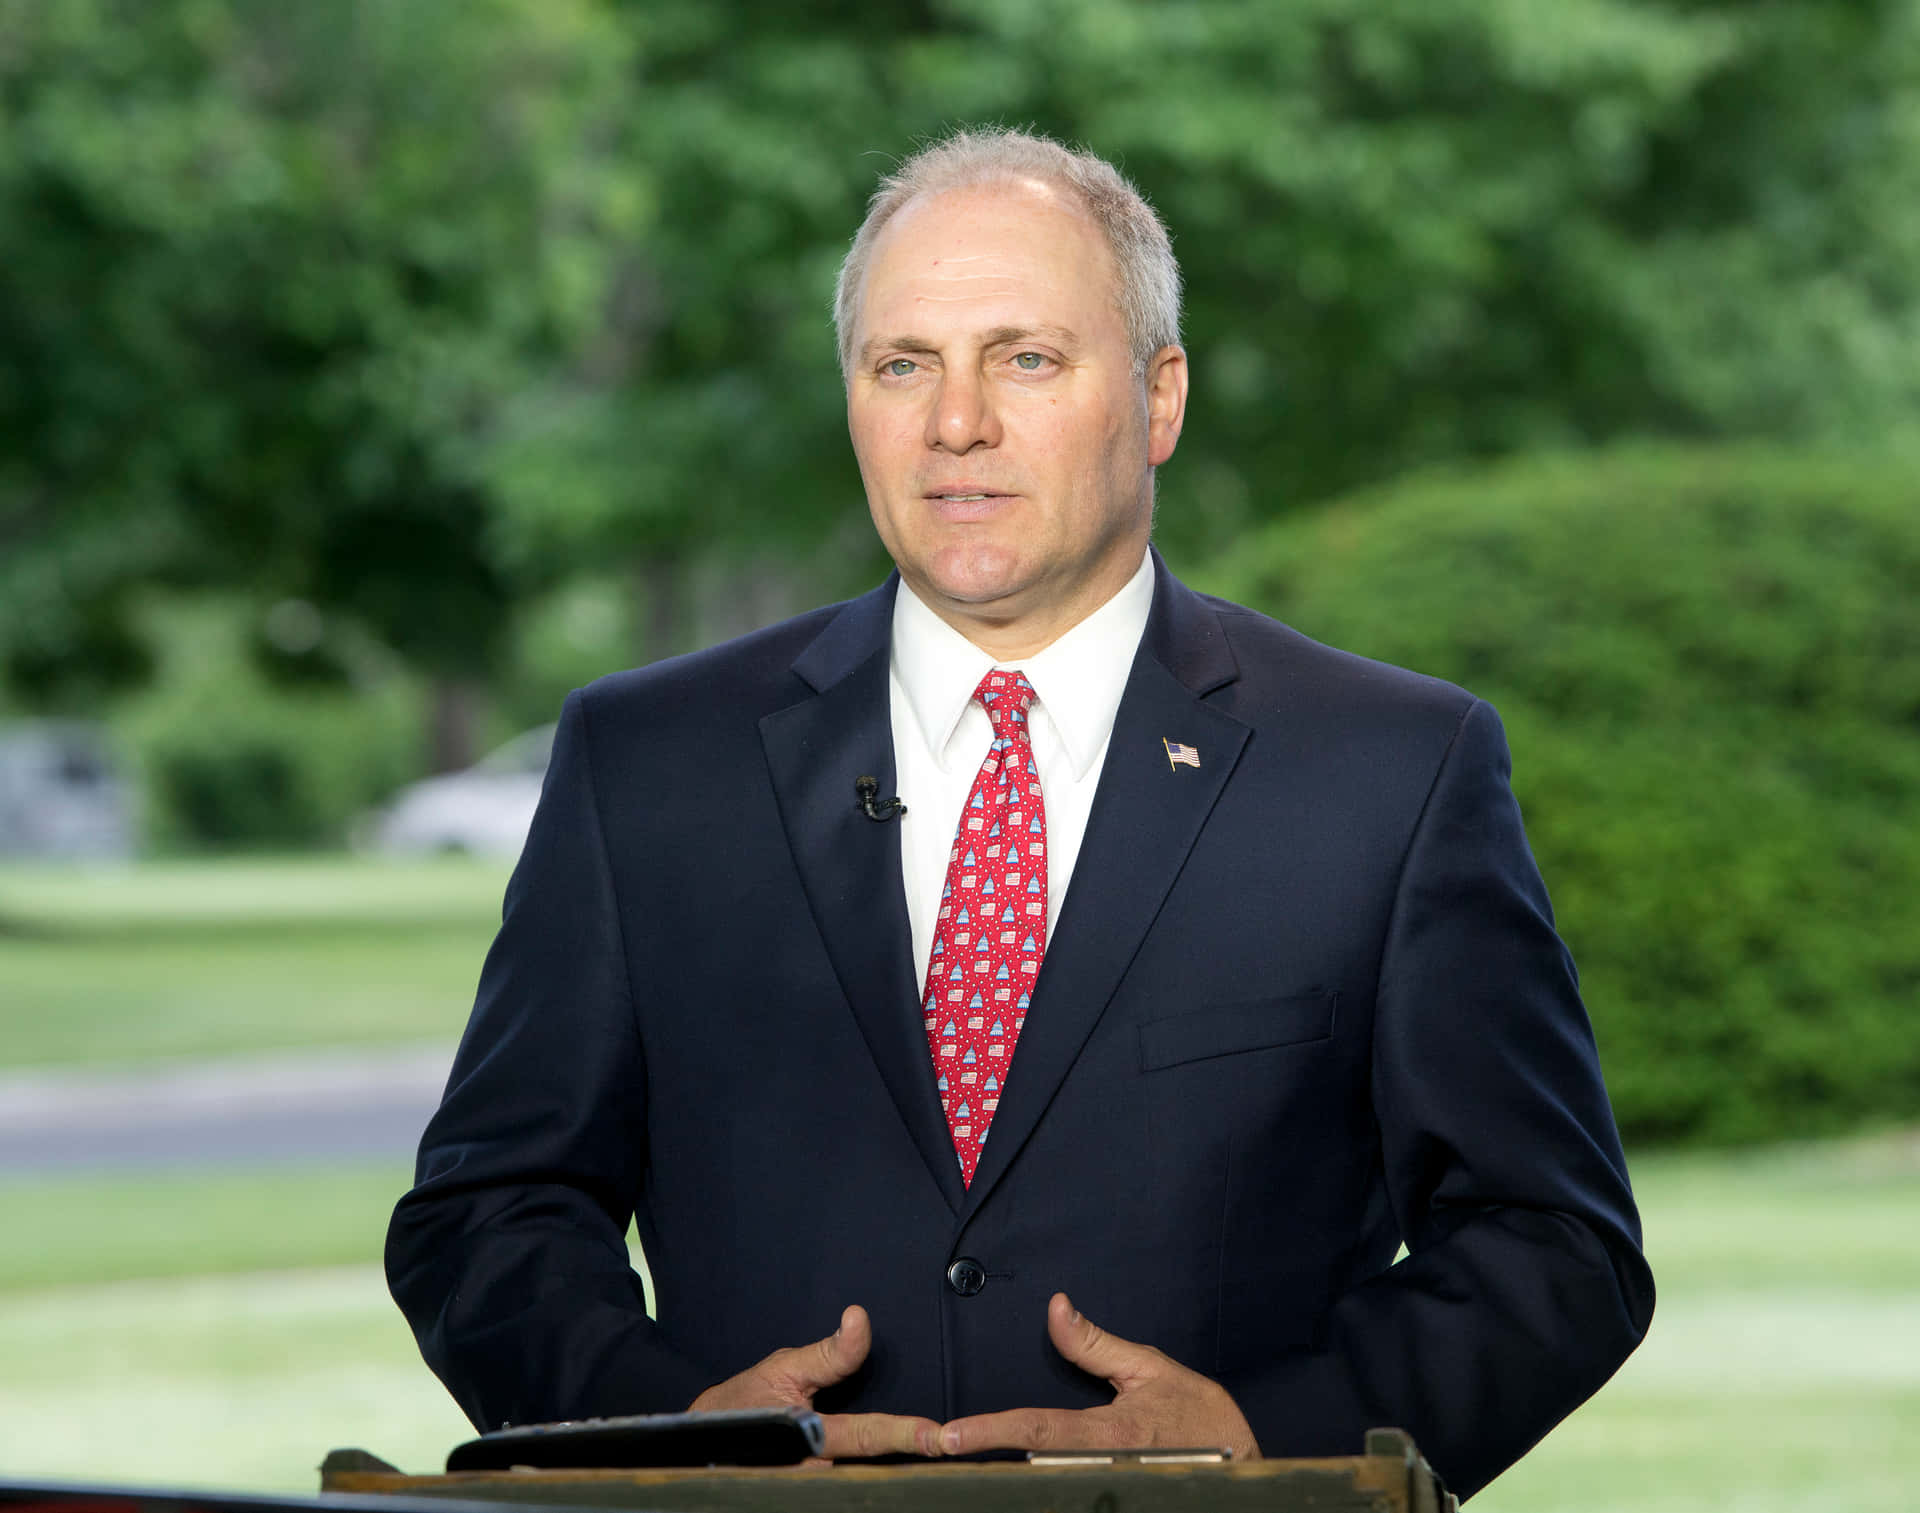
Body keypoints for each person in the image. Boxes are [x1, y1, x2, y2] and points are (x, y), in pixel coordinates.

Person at [386, 127, 1653, 1499]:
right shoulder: (647, 762)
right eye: (902, 365)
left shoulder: (1390, 769)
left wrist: (1269, 1437)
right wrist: (674, 1428)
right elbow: (486, 1213)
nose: (956, 424)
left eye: (1026, 359)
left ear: (1159, 399)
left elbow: (1555, 1243)